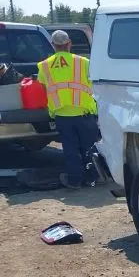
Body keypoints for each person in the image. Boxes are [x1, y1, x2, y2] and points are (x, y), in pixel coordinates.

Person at [37, 30, 100, 189]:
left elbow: (43, 87)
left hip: (62, 115)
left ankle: (75, 180)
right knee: (90, 148)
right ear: (69, 43)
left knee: (70, 150)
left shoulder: (44, 66)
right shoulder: (83, 62)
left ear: (53, 45)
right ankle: (92, 178)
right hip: (84, 113)